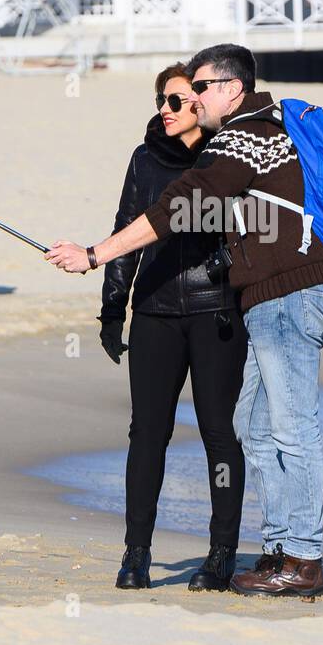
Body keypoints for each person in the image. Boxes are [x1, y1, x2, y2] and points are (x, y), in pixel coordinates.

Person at [46, 43, 323, 597]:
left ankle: (303, 559)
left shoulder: (243, 137)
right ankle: (280, 549)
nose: (193, 96)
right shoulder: (271, 130)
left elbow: (173, 210)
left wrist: (94, 255)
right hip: (270, 295)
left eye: (201, 87)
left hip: (289, 295)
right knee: (253, 428)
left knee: (291, 427)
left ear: (232, 89)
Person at [101, 63, 249, 592]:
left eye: (174, 100)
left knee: (218, 433)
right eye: (161, 100)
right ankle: (136, 554)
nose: (163, 109)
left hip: (216, 312)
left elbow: (254, 228)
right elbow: (125, 230)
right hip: (156, 312)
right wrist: (113, 306)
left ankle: (220, 556)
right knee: (147, 433)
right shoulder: (145, 159)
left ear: (200, 103)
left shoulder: (228, 154)